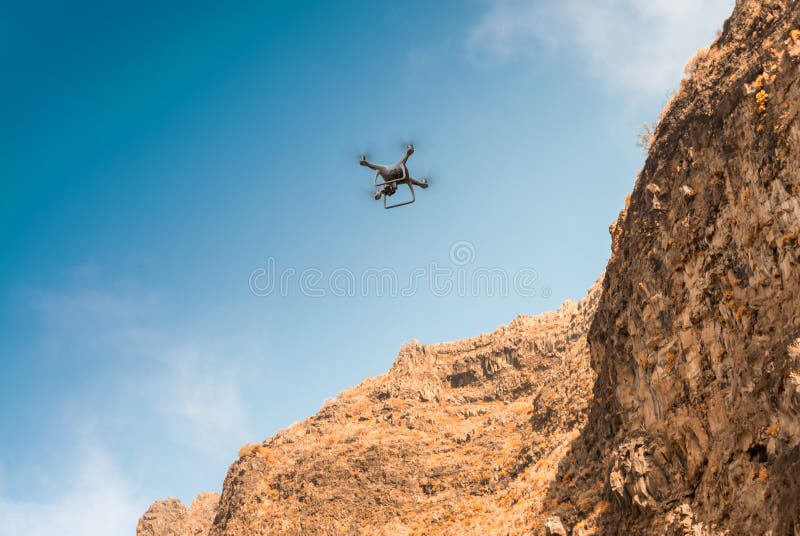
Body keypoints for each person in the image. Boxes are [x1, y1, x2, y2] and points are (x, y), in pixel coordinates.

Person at [359, 145, 429, 200]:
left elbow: (408, 180)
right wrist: (379, 193)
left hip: (394, 173)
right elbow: (408, 180)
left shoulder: (386, 179)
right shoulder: (390, 182)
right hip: (397, 175)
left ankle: (366, 163)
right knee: (405, 176)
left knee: (386, 169)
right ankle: (366, 163)